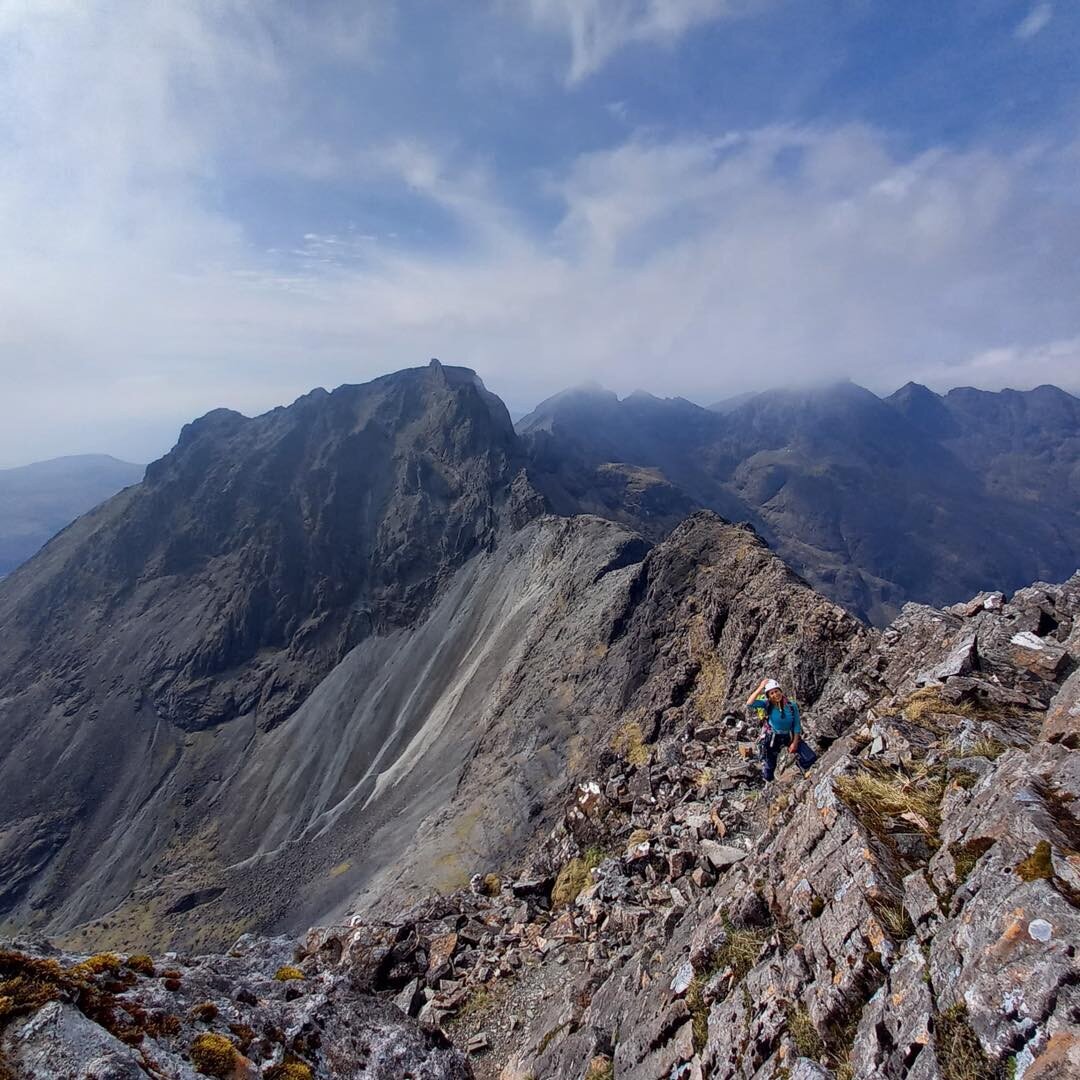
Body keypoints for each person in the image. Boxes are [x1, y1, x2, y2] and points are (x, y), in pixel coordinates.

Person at [745, 677, 817, 782]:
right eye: (772, 693)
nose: (775, 695)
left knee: (810, 758)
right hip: (772, 738)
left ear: (781, 691)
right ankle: (768, 782)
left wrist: (795, 743)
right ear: (768, 696)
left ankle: (798, 772)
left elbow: (797, 725)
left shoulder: (792, 706)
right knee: (770, 767)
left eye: (776, 691)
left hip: (789, 736)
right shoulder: (767, 704)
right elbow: (749, 703)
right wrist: (761, 687)